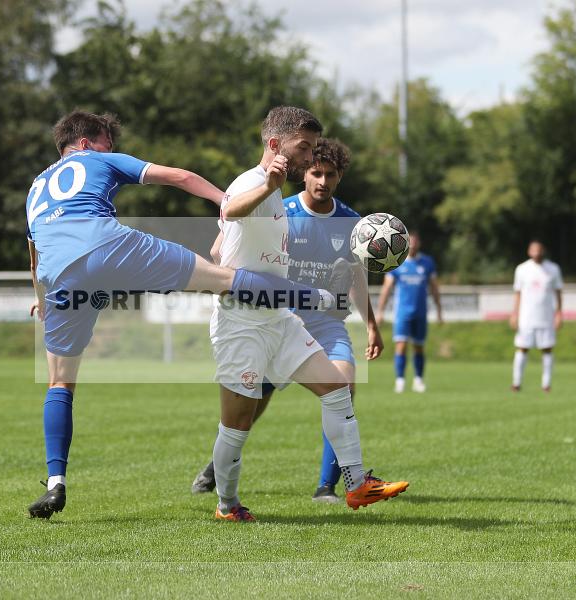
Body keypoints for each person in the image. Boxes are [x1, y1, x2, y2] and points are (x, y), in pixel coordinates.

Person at [26, 110, 347, 519]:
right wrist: (223, 200)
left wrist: (42, 299)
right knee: (221, 277)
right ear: (87, 144)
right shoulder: (96, 159)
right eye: (108, 142)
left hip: (59, 276)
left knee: (60, 381)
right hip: (107, 245)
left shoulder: (35, 189)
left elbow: (35, 259)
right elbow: (177, 177)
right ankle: (318, 298)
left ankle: (56, 482)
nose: (112, 149)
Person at [205, 110, 408, 522]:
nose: (310, 156)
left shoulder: (278, 194)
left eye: (314, 148)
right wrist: (267, 186)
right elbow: (232, 212)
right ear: (275, 145)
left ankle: (355, 484)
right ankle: (227, 505)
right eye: (304, 148)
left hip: (279, 320)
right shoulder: (252, 183)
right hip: (241, 326)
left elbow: (219, 249)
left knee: (336, 389)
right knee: (237, 424)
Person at [376, 231, 443, 393]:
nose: (412, 245)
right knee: (401, 345)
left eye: (415, 242)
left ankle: (418, 380)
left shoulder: (427, 262)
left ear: (418, 244)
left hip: (420, 312)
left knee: (419, 346)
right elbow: (386, 288)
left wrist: (439, 310)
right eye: (409, 242)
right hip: (402, 314)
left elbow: (434, 287)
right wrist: (380, 312)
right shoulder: (396, 262)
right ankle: (400, 380)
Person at [510, 240, 563, 392]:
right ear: (529, 251)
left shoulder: (553, 269)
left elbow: (558, 291)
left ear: (543, 251)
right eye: (533, 250)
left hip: (546, 317)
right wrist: (515, 313)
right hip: (526, 317)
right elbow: (517, 293)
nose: (536, 253)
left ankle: (546, 384)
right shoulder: (522, 269)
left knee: (547, 349)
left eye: (539, 250)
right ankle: (516, 383)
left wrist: (559, 313)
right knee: (522, 348)